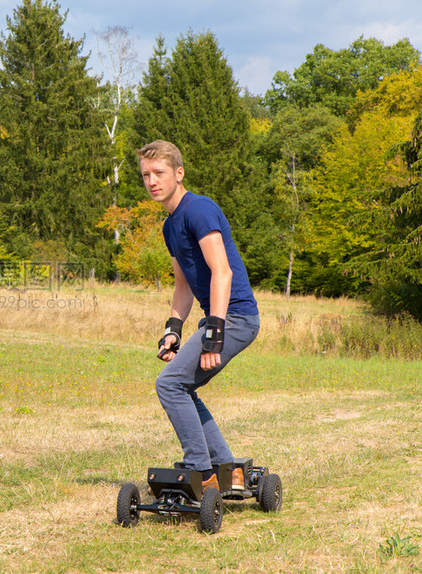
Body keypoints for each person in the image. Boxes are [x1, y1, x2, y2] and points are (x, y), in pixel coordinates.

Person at [139, 140, 260, 494]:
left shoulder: (199, 209)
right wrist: (172, 330)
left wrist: (214, 335)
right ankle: (227, 470)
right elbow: (183, 285)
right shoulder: (169, 226)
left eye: (159, 173)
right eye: (146, 175)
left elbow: (221, 272)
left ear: (179, 173)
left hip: (234, 317)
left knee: (169, 384)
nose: (152, 181)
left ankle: (199, 471)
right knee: (182, 386)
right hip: (221, 318)